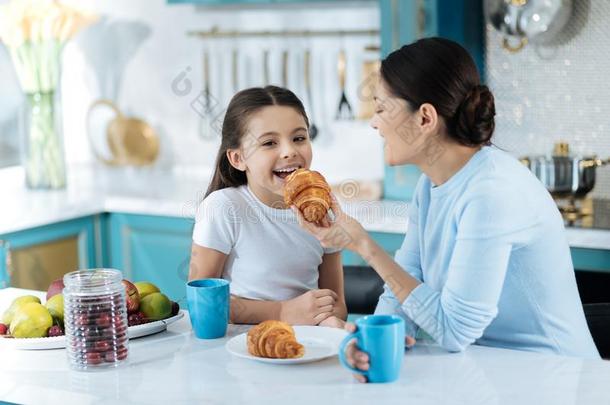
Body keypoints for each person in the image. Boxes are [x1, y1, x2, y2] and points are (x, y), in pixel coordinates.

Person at [293, 37, 599, 382]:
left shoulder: (491, 192)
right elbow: (404, 282)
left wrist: (362, 243)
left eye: (381, 108)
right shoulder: (431, 184)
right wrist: (374, 341)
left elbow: (453, 331)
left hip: (555, 379)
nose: (374, 123)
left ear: (425, 118)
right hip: (490, 372)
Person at [188, 86, 347, 327]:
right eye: (269, 143)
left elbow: (338, 305)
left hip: (309, 345)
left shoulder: (323, 209)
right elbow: (202, 303)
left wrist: (330, 321)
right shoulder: (223, 208)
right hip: (239, 349)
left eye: (299, 138)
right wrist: (282, 312)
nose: (289, 151)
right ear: (238, 159)